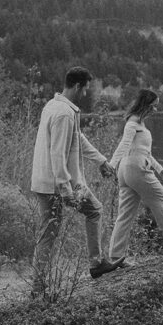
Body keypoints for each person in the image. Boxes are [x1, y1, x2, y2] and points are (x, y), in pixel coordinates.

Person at [30, 66, 118, 297]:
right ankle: (95, 264)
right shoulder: (64, 114)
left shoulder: (54, 106)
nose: (86, 94)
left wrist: (100, 161)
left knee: (50, 231)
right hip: (57, 185)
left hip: (45, 182)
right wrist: (66, 189)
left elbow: (77, 138)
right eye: (85, 89)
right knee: (92, 212)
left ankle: (40, 286)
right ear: (77, 86)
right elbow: (57, 153)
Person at [107, 89, 163, 266]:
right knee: (161, 200)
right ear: (145, 105)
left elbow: (145, 152)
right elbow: (124, 145)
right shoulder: (132, 124)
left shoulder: (139, 123)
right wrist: (111, 165)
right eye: (153, 106)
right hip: (134, 167)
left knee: (125, 213)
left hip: (126, 169)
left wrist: (160, 169)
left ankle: (116, 257)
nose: (155, 110)